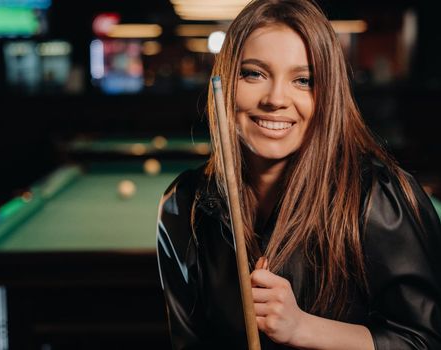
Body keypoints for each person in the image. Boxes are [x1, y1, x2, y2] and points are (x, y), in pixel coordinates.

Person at [156, 0, 441, 349]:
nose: (276, 98)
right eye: (254, 73)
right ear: (227, 84)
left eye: (303, 80)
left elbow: (423, 341)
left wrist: (302, 327)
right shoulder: (184, 205)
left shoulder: (377, 198)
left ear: (328, 96)